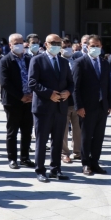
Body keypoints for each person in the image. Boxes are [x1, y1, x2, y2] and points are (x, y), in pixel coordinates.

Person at [28, 34, 74, 182]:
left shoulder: (63, 62)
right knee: (41, 141)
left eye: (58, 43)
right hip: (43, 107)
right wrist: (49, 94)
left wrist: (68, 91)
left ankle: (55, 169)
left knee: (58, 140)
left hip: (60, 107)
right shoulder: (37, 60)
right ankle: (40, 170)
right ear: (46, 44)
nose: (55, 45)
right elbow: (32, 82)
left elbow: (71, 82)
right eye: (52, 43)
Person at [72, 35, 111, 176]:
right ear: (87, 47)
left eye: (98, 46)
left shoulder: (105, 63)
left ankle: (95, 162)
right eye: (92, 46)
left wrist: (109, 103)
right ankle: (85, 163)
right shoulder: (80, 63)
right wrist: (79, 106)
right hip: (86, 107)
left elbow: (108, 85)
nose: (95, 48)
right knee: (86, 136)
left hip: (102, 106)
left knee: (99, 136)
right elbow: (75, 87)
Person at [0, 33, 35, 170]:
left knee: (27, 131)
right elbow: (5, 82)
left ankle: (25, 158)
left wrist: (31, 95)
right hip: (13, 102)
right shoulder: (5, 60)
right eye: (16, 43)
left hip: (29, 101)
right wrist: (21, 96)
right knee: (12, 132)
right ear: (10, 45)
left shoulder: (29, 59)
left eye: (21, 42)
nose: (19, 45)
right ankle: (12, 158)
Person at [61, 42, 81, 165]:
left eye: (69, 46)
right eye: (64, 47)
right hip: (62, 101)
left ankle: (78, 152)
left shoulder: (76, 62)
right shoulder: (58, 62)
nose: (67, 49)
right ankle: (64, 153)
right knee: (62, 129)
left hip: (76, 101)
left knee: (78, 129)